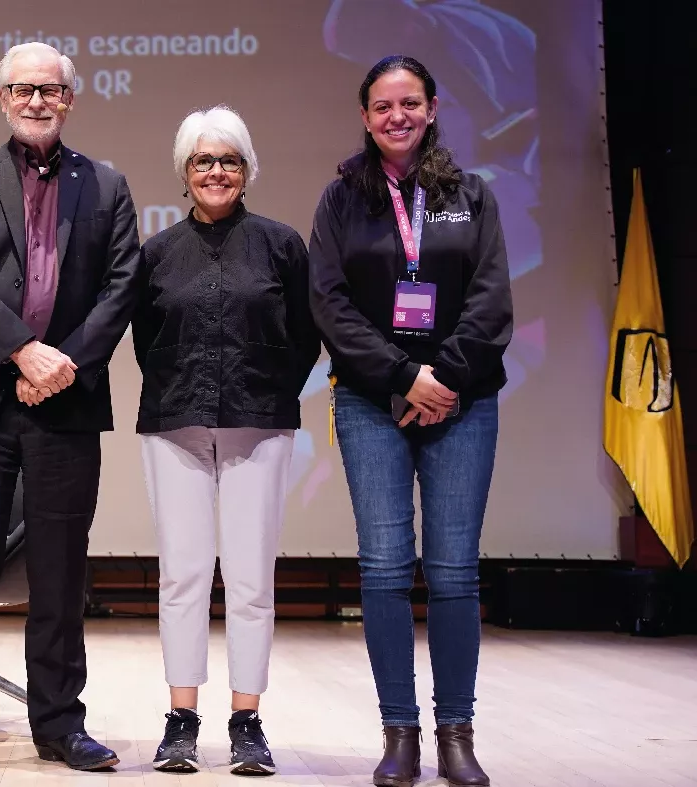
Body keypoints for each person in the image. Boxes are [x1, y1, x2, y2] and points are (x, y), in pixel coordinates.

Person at [0, 41, 142, 777]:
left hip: (67, 404)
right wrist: (23, 352)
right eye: (23, 89)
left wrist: (61, 364)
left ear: (71, 98)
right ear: (2, 97)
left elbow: (122, 288)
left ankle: (58, 723)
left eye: (50, 89)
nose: (37, 100)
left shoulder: (107, 185)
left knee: (59, 573)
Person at [307, 55, 513, 787]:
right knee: (386, 566)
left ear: (431, 109)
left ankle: (457, 731)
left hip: (463, 401)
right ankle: (400, 734)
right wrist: (403, 377)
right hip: (370, 401)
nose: (397, 116)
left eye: (410, 103)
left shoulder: (470, 196)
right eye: (383, 106)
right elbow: (328, 304)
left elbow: (492, 301)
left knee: (455, 569)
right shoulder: (341, 202)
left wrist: (443, 377)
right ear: (365, 117)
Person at [131, 105, 320, 776]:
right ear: (184, 173)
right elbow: (144, 345)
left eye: (229, 160)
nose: (216, 171)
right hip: (174, 423)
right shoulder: (155, 252)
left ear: (247, 170)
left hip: (259, 423)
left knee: (249, 578)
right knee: (181, 574)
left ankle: (247, 721)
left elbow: (305, 335)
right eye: (203, 161)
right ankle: (180, 721)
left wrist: (264, 391)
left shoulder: (281, 244)